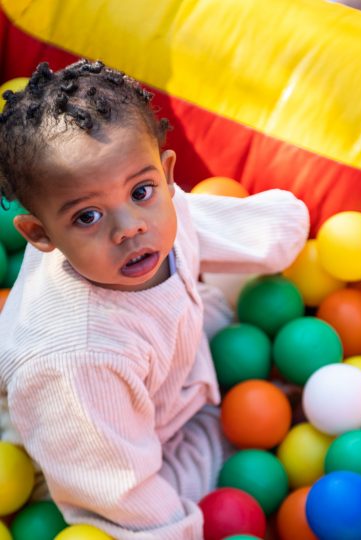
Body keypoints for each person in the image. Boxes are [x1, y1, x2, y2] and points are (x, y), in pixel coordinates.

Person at [0, 59, 309, 539]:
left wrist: (288, 229)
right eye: (87, 218)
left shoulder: (151, 216)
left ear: (166, 177)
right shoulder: (76, 358)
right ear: (42, 235)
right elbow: (118, 493)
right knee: (209, 481)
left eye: (142, 191)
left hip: (165, 375)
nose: (130, 229)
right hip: (75, 449)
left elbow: (224, 226)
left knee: (224, 300)